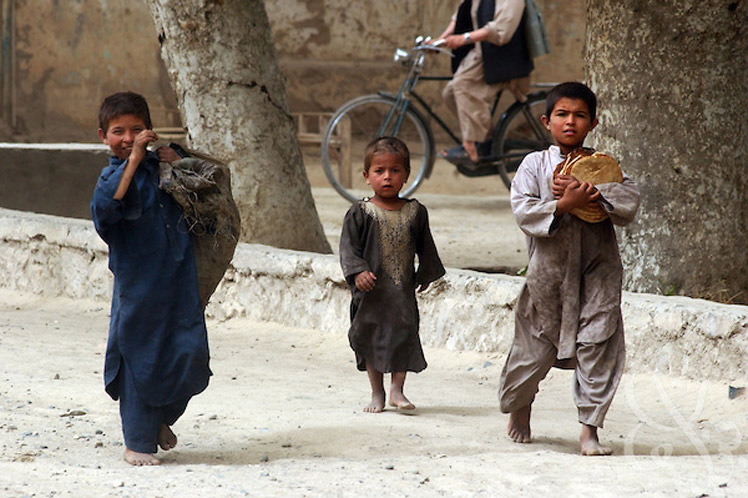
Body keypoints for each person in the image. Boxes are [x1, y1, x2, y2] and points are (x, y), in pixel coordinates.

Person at [498, 82, 640, 455]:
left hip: (598, 272)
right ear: (547, 121)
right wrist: (562, 204)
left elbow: (629, 200)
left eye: (580, 115)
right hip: (547, 277)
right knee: (533, 349)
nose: (570, 122)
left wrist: (593, 194)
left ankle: (589, 431)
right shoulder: (534, 165)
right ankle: (521, 406)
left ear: (593, 122)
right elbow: (523, 210)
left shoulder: (605, 166)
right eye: (562, 114)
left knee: (599, 343)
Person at [90, 92, 212, 466]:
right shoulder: (112, 175)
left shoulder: (163, 168)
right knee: (140, 359)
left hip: (177, 280)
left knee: (189, 355)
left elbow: (210, 190)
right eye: (118, 131)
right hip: (139, 285)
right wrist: (135, 161)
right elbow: (107, 208)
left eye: (136, 129)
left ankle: (160, 418)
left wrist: (178, 161)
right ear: (102, 136)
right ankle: (137, 442)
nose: (127, 138)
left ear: (150, 129)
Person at [339, 136, 445, 413]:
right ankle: (377, 393)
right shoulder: (359, 213)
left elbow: (426, 246)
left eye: (395, 171)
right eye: (379, 171)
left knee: (404, 334)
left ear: (406, 175)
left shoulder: (415, 212)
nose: (387, 177)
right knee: (369, 336)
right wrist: (358, 271)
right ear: (366, 176)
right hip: (371, 293)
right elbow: (348, 248)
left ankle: (398, 390)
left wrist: (425, 272)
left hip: (401, 293)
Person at [433, 0, 534, 165]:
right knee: (450, 93)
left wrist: (465, 38)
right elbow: (460, 16)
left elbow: (502, 30)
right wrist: (439, 40)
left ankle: (470, 147)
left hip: (503, 57)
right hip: (482, 54)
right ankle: (485, 142)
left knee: (463, 85)